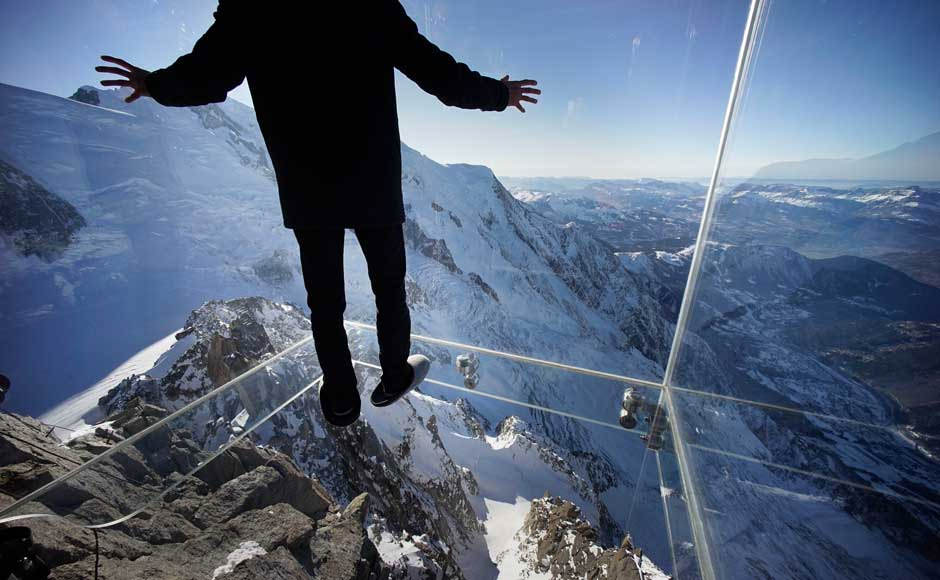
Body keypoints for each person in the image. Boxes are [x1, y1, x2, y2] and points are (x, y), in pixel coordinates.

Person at [96, 0, 540, 427]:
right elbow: (437, 74)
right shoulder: (370, 4)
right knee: (389, 287)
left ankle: (342, 398)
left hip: (308, 184)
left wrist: (155, 84)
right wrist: (498, 94)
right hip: (373, 178)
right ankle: (393, 376)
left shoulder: (251, 8)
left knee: (325, 302)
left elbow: (207, 75)